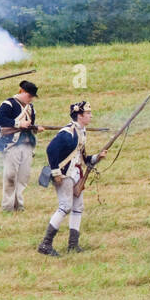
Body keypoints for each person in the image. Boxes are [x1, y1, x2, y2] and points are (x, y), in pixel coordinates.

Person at [37, 100, 103, 257]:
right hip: (64, 175)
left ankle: (73, 245)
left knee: (78, 208)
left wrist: (98, 157)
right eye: (88, 114)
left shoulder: (82, 132)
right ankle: (45, 244)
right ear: (80, 116)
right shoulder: (68, 132)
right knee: (65, 207)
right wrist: (56, 173)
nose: (90, 116)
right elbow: (50, 149)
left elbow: (84, 158)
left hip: (76, 175)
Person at [0, 80, 42, 212]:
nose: (31, 99)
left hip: (26, 145)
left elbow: (29, 125)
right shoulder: (9, 104)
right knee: (10, 176)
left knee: (23, 177)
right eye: (29, 96)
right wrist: (17, 124)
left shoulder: (30, 108)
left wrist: (35, 128)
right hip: (11, 145)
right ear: (23, 92)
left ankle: (19, 205)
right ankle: (7, 206)